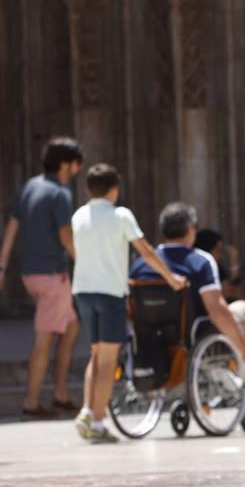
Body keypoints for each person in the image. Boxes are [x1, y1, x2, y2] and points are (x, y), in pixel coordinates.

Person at [69, 164, 186, 443]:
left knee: (96, 354)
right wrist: (170, 278)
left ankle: (88, 410)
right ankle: (96, 422)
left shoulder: (79, 215)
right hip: (110, 292)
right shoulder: (121, 215)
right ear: (114, 189)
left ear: (88, 189)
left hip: (83, 290)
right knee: (108, 360)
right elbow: (145, 250)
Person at [129, 202, 245, 381]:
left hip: (150, 336)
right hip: (195, 335)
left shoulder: (140, 264)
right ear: (190, 229)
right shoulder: (201, 261)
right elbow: (216, 310)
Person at [0, 137, 84, 419]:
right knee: (44, 340)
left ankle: (61, 395)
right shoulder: (60, 193)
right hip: (51, 277)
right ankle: (32, 402)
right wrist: (85, 263)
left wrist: (2, 267)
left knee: (71, 327)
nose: (78, 169)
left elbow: (12, 227)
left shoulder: (30, 187)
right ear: (65, 164)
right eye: (76, 164)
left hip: (30, 275)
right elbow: (65, 234)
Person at [194, 228, 245, 303]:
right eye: (218, 250)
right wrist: (234, 262)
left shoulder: (217, 267)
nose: (220, 255)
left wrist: (234, 264)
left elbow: (234, 291)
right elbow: (231, 291)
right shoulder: (197, 268)